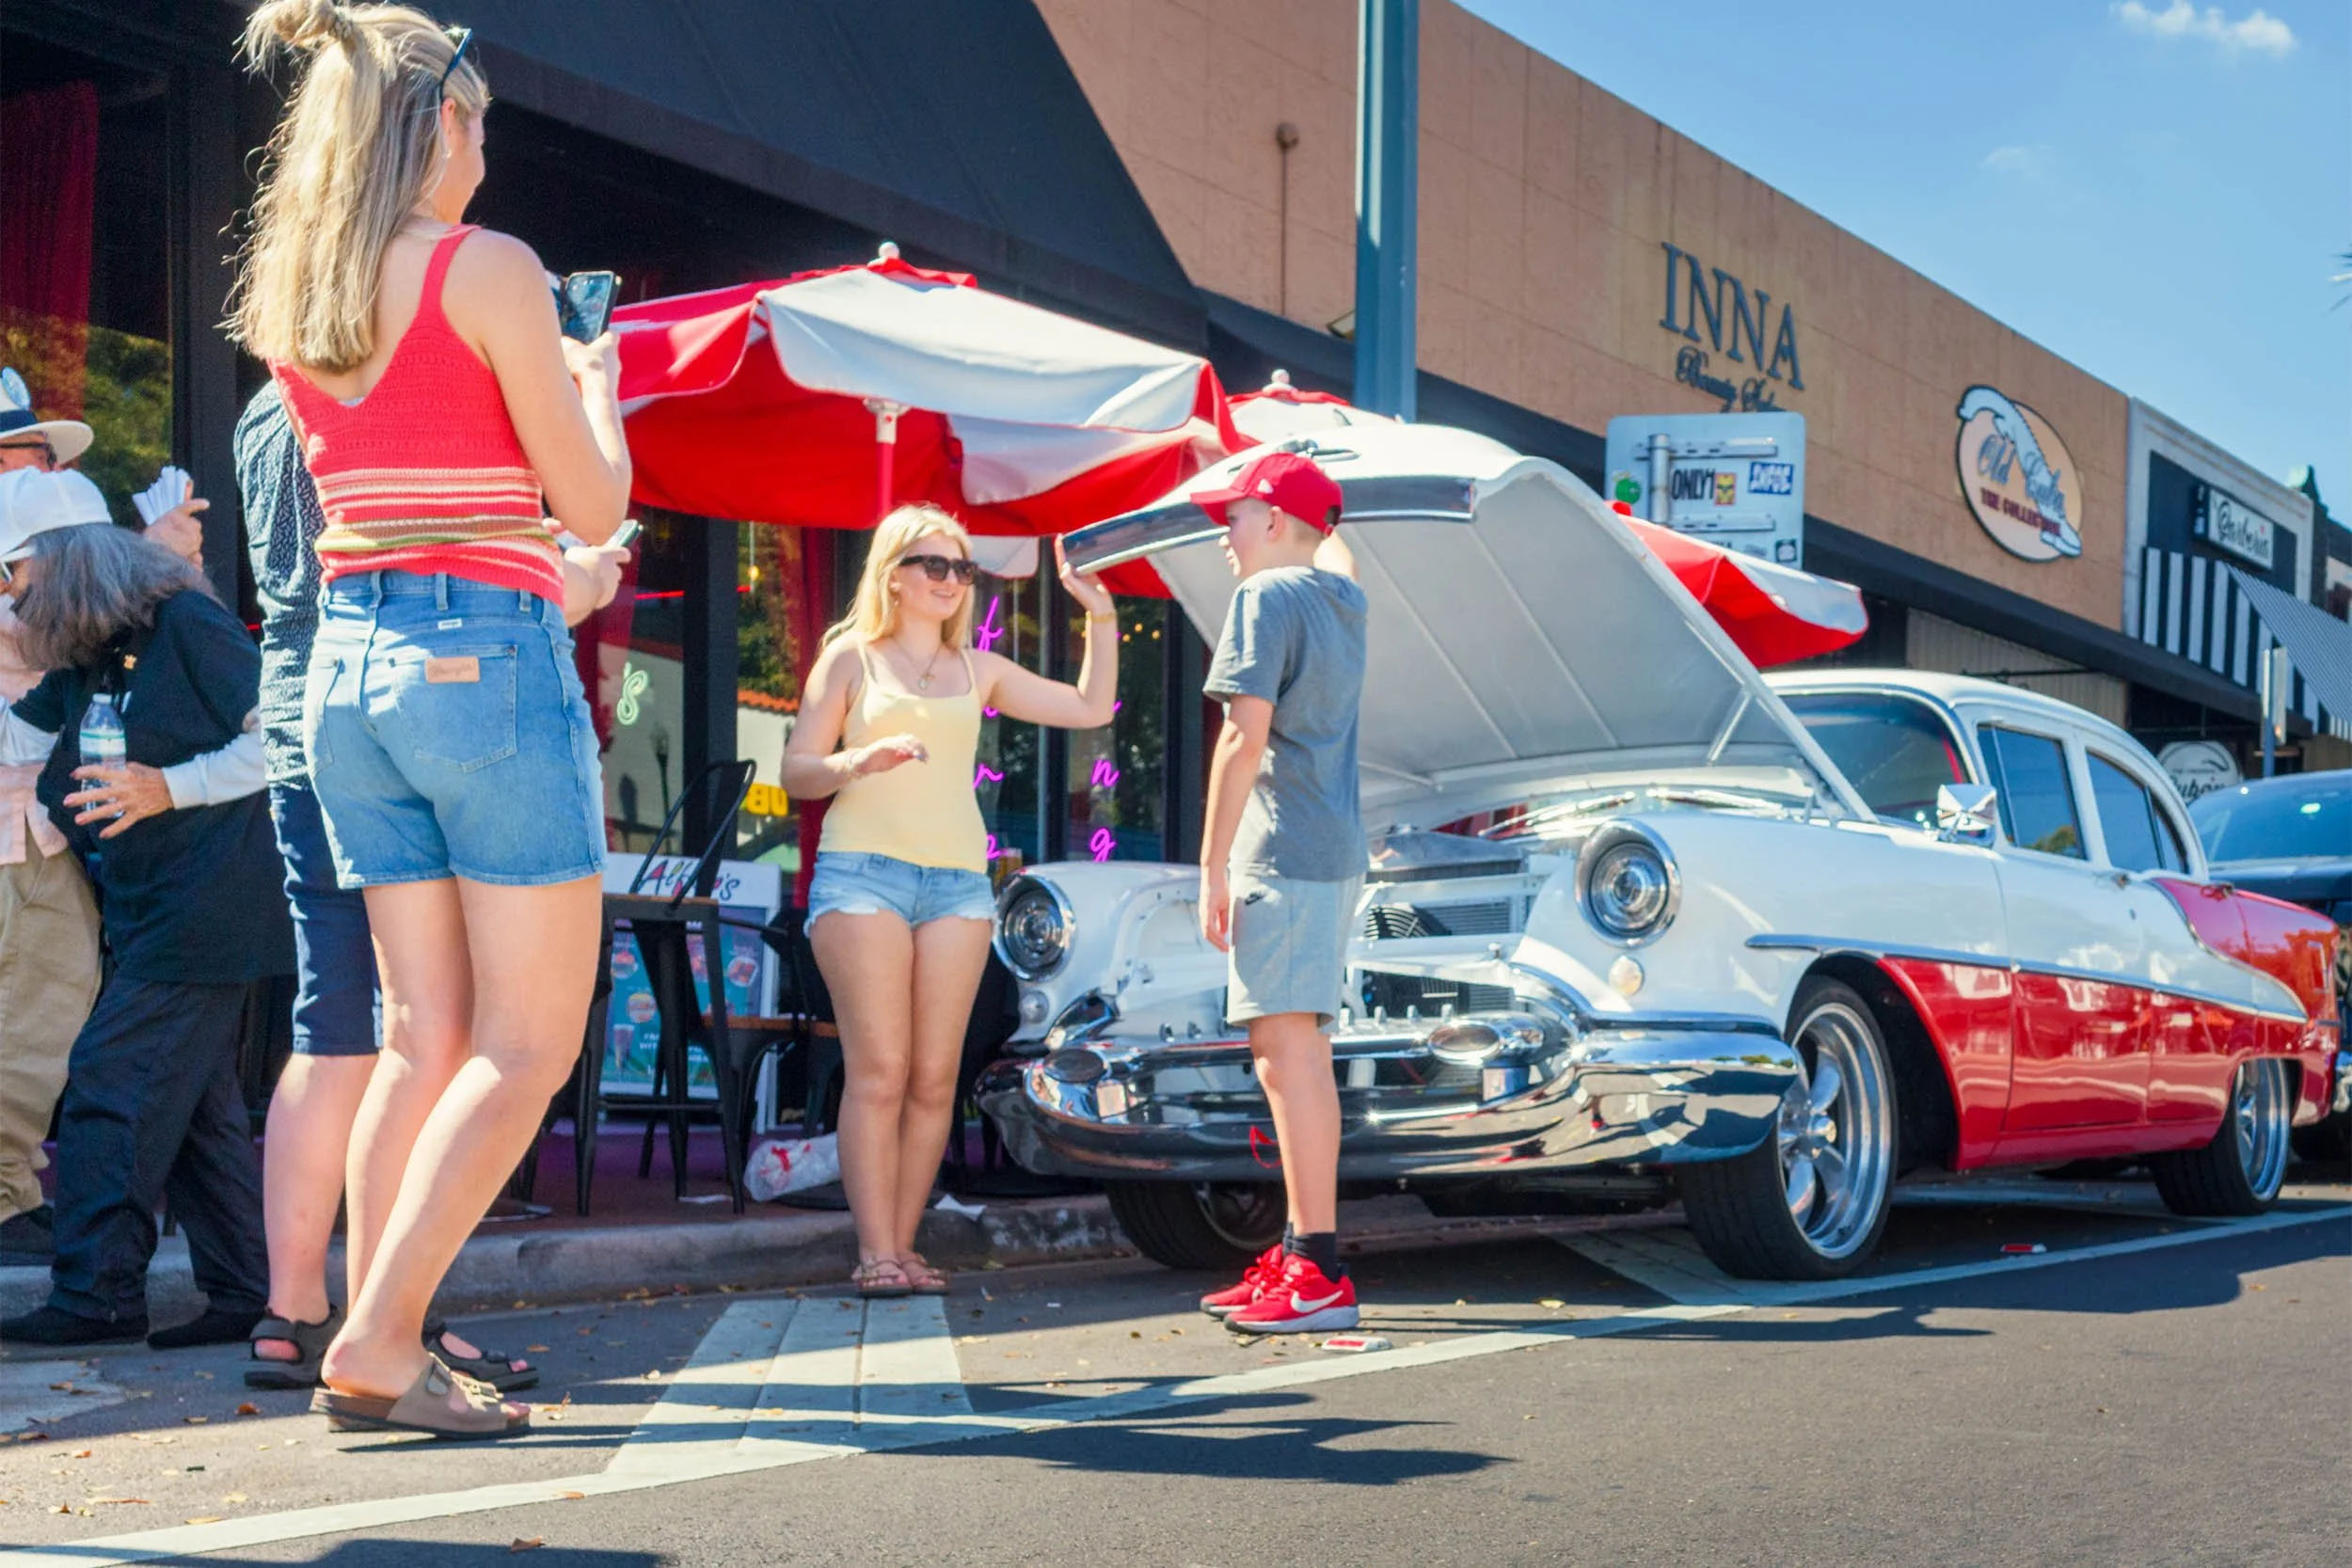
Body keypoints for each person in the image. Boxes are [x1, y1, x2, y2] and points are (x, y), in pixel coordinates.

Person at [230, 1, 629, 1438]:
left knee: (419, 1029)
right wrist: (598, 391)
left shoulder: (299, 293)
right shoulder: (491, 269)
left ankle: (366, 1326)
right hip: (483, 661)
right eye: (480, 117)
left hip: (349, 672)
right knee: (528, 1040)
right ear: (439, 120)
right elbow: (587, 506)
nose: (488, 143)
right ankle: (383, 1337)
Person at [234, 378, 625, 1392]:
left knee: (350, 1029)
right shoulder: (421, 384)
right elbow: (559, 526)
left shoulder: (269, 407)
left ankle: (296, 1309)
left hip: (314, 710)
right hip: (449, 672)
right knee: (484, 1038)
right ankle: (384, 1318)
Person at [781, 504, 1117, 1298]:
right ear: (893, 573)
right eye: (935, 565)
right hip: (861, 874)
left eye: (962, 569)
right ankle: (873, 1252)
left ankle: (900, 1244)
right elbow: (797, 770)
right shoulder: (849, 659)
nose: (951, 581)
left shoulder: (981, 668)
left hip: (959, 884)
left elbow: (1091, 707)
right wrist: (857, 759)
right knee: (881, 1069)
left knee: (936, 1077)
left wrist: (1099, 611)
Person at [0, 468, 288, 1348]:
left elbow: (280, 733)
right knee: (197, 1118)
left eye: (11, 577)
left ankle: (97, 1296)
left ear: (64, 562)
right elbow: (20, 734)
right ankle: (246, 1291)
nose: (8, 600)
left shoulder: (188, 624)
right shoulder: (95, 650)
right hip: (153, 906)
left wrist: (169, 786)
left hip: (208, 908)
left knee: (109, 1087)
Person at [0, 367, 215, 1264]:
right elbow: (46, 633)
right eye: (25, 453)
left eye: (44, 454)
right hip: (22, 829)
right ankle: (9, 1196)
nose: (42, 466)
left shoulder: (40, 543)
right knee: (34, 1013)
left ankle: (10, 1193)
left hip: (40, 828)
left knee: (43, 1013)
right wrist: (146, 558)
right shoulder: (32, 558)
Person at [1187, 451, 1369, 1336]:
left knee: (1284, 1053)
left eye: (1234, 514)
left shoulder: (1262, 601)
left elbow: (1240, 737)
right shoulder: (1342, 598)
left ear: (1268, 517)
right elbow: (1337, 547)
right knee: (1301, 1050)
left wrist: (1211, 863)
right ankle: (1306, 1249)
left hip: (1281, 849)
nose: (1223, 534)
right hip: (1332, 848)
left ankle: (1317, 1267)